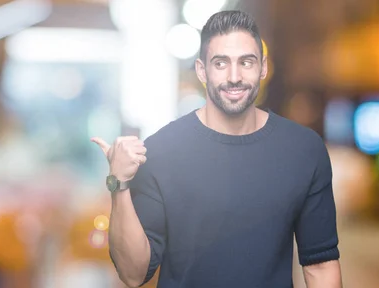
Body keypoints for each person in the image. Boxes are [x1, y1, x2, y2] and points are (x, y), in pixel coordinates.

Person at [91, 10, 343, 288]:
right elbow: (133, 274)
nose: (234, 76)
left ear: (263, 67)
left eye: (246, 62)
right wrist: (120, 185)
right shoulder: (161, 151)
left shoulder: (303, 151)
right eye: (220, 63)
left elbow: (320, 265)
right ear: (202, 70)